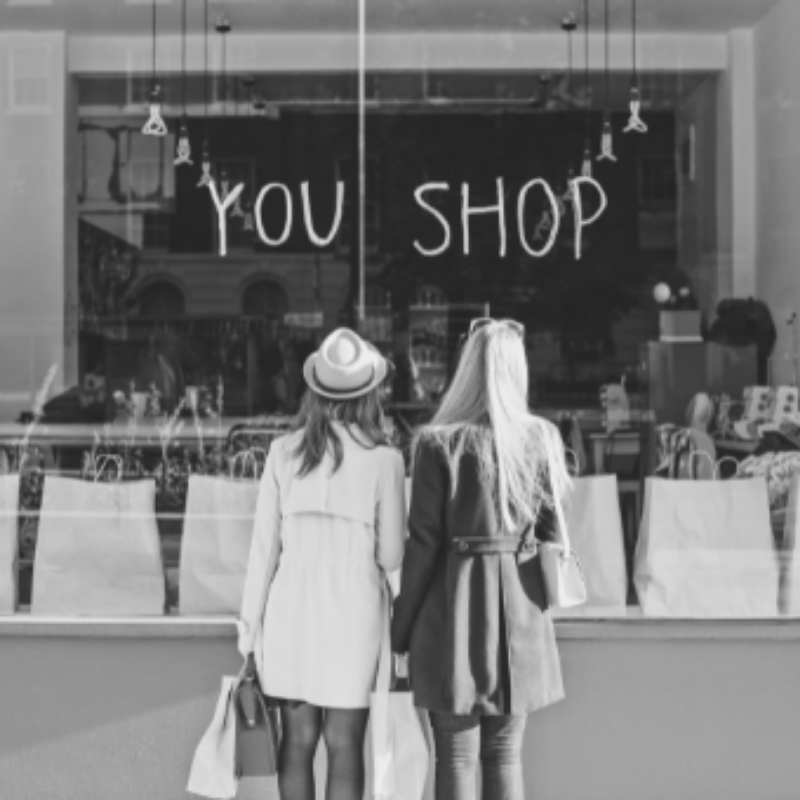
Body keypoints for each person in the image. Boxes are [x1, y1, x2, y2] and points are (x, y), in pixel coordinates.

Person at [390, 317, 572, 800]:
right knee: (505, 755)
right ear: (517, 372)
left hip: (452, 613)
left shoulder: (437, 443)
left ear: (466, 370)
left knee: (455, 755)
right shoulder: (541, 440)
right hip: (520, 614)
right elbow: (553, 537)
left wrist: (400, 629)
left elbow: (422, 545)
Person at [237, 327, 406, 800]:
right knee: (345, 743)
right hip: (355, 615)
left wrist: (249, 634)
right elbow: (392, 556)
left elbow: (263, 552)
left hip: (291, 611)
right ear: (369, 394)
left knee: (297, 742)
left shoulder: (282, 454)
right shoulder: (385, 461)